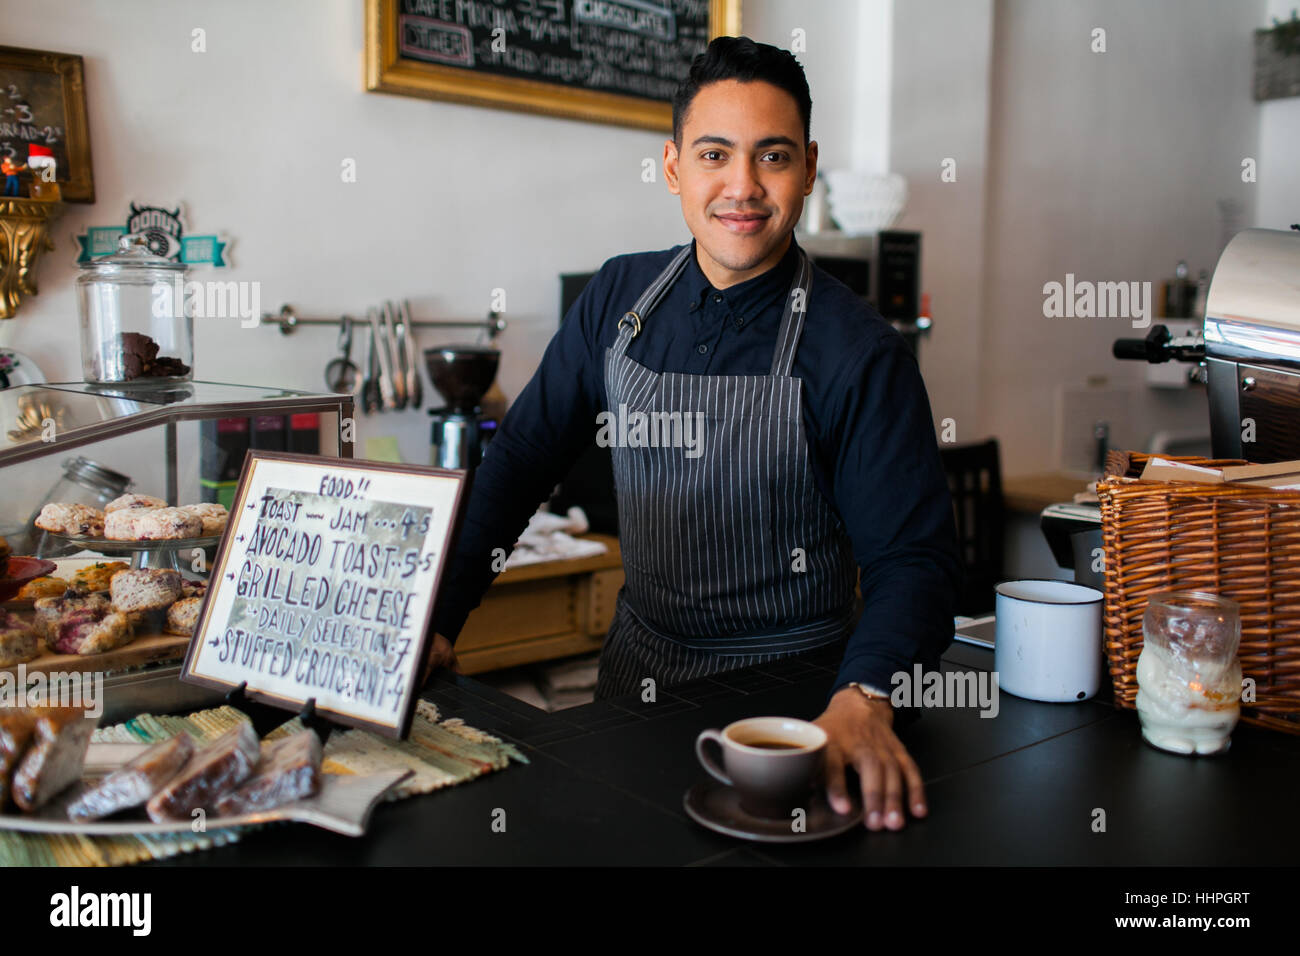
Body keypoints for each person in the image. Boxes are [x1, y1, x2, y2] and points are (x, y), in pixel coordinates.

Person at [422, 36, 962, 832]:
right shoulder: (619, 296)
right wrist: (437, 618)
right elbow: (524, 458)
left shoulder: (859, 352)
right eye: (715, 154)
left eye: (772, 156)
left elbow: (913, 560)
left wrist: (867, 694)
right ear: (674, 167)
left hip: (792, 714)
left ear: (807, 168)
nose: (742, 186)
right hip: (635, 683)